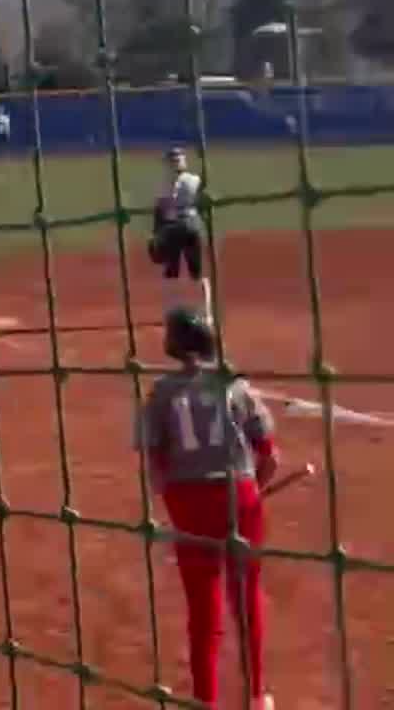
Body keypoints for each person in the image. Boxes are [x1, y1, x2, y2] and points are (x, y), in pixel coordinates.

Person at [138, 307, 277, 710]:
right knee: (247, 599)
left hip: (188, 503)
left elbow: (156, 467)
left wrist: (182, 507)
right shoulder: (235, 384)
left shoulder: (161, 393)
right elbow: (270, 457)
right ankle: (258, 696)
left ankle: (205, 702)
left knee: (202, 609)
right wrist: (252, 494)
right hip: (241, 494)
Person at [150, 145, 211, 320]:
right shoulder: (194, 180)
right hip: (192, 226)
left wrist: (156, 234)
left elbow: (159, 212)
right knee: (198, 274)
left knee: (171, 274)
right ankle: (207, 314)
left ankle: (171, 313)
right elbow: (204, 194)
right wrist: (203, 159)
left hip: (173, 229)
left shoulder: (163, 185)